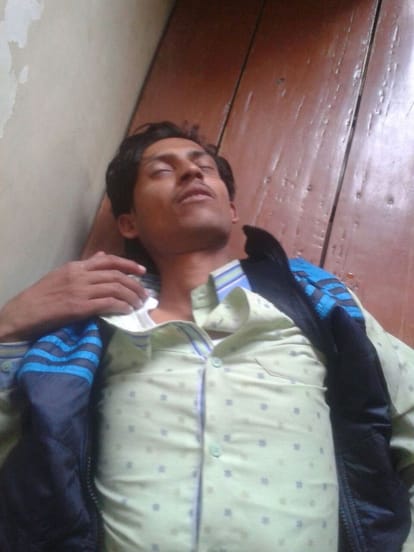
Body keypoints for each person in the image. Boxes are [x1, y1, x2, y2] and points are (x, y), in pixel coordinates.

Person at [0, 122, 413, 552]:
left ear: (231, 209)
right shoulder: (88, 336)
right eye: (162, 170)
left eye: (204, 167)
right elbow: (21, 458)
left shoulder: (314, 299)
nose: (191, 172)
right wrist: (9, 324)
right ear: (128, 222)